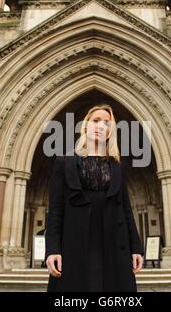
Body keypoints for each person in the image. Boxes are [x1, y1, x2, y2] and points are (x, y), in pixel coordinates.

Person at [45, 104, 144, 292]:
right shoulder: (64, 162)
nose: (101, 126)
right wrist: (52, 250)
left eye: (107, 123)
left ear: (110, 132)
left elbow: (126, 209)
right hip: (74, 242)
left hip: (113, 242)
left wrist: (136, 248)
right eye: (96, 121)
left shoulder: (116, 166)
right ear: (85, 126)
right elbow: (56, 210)